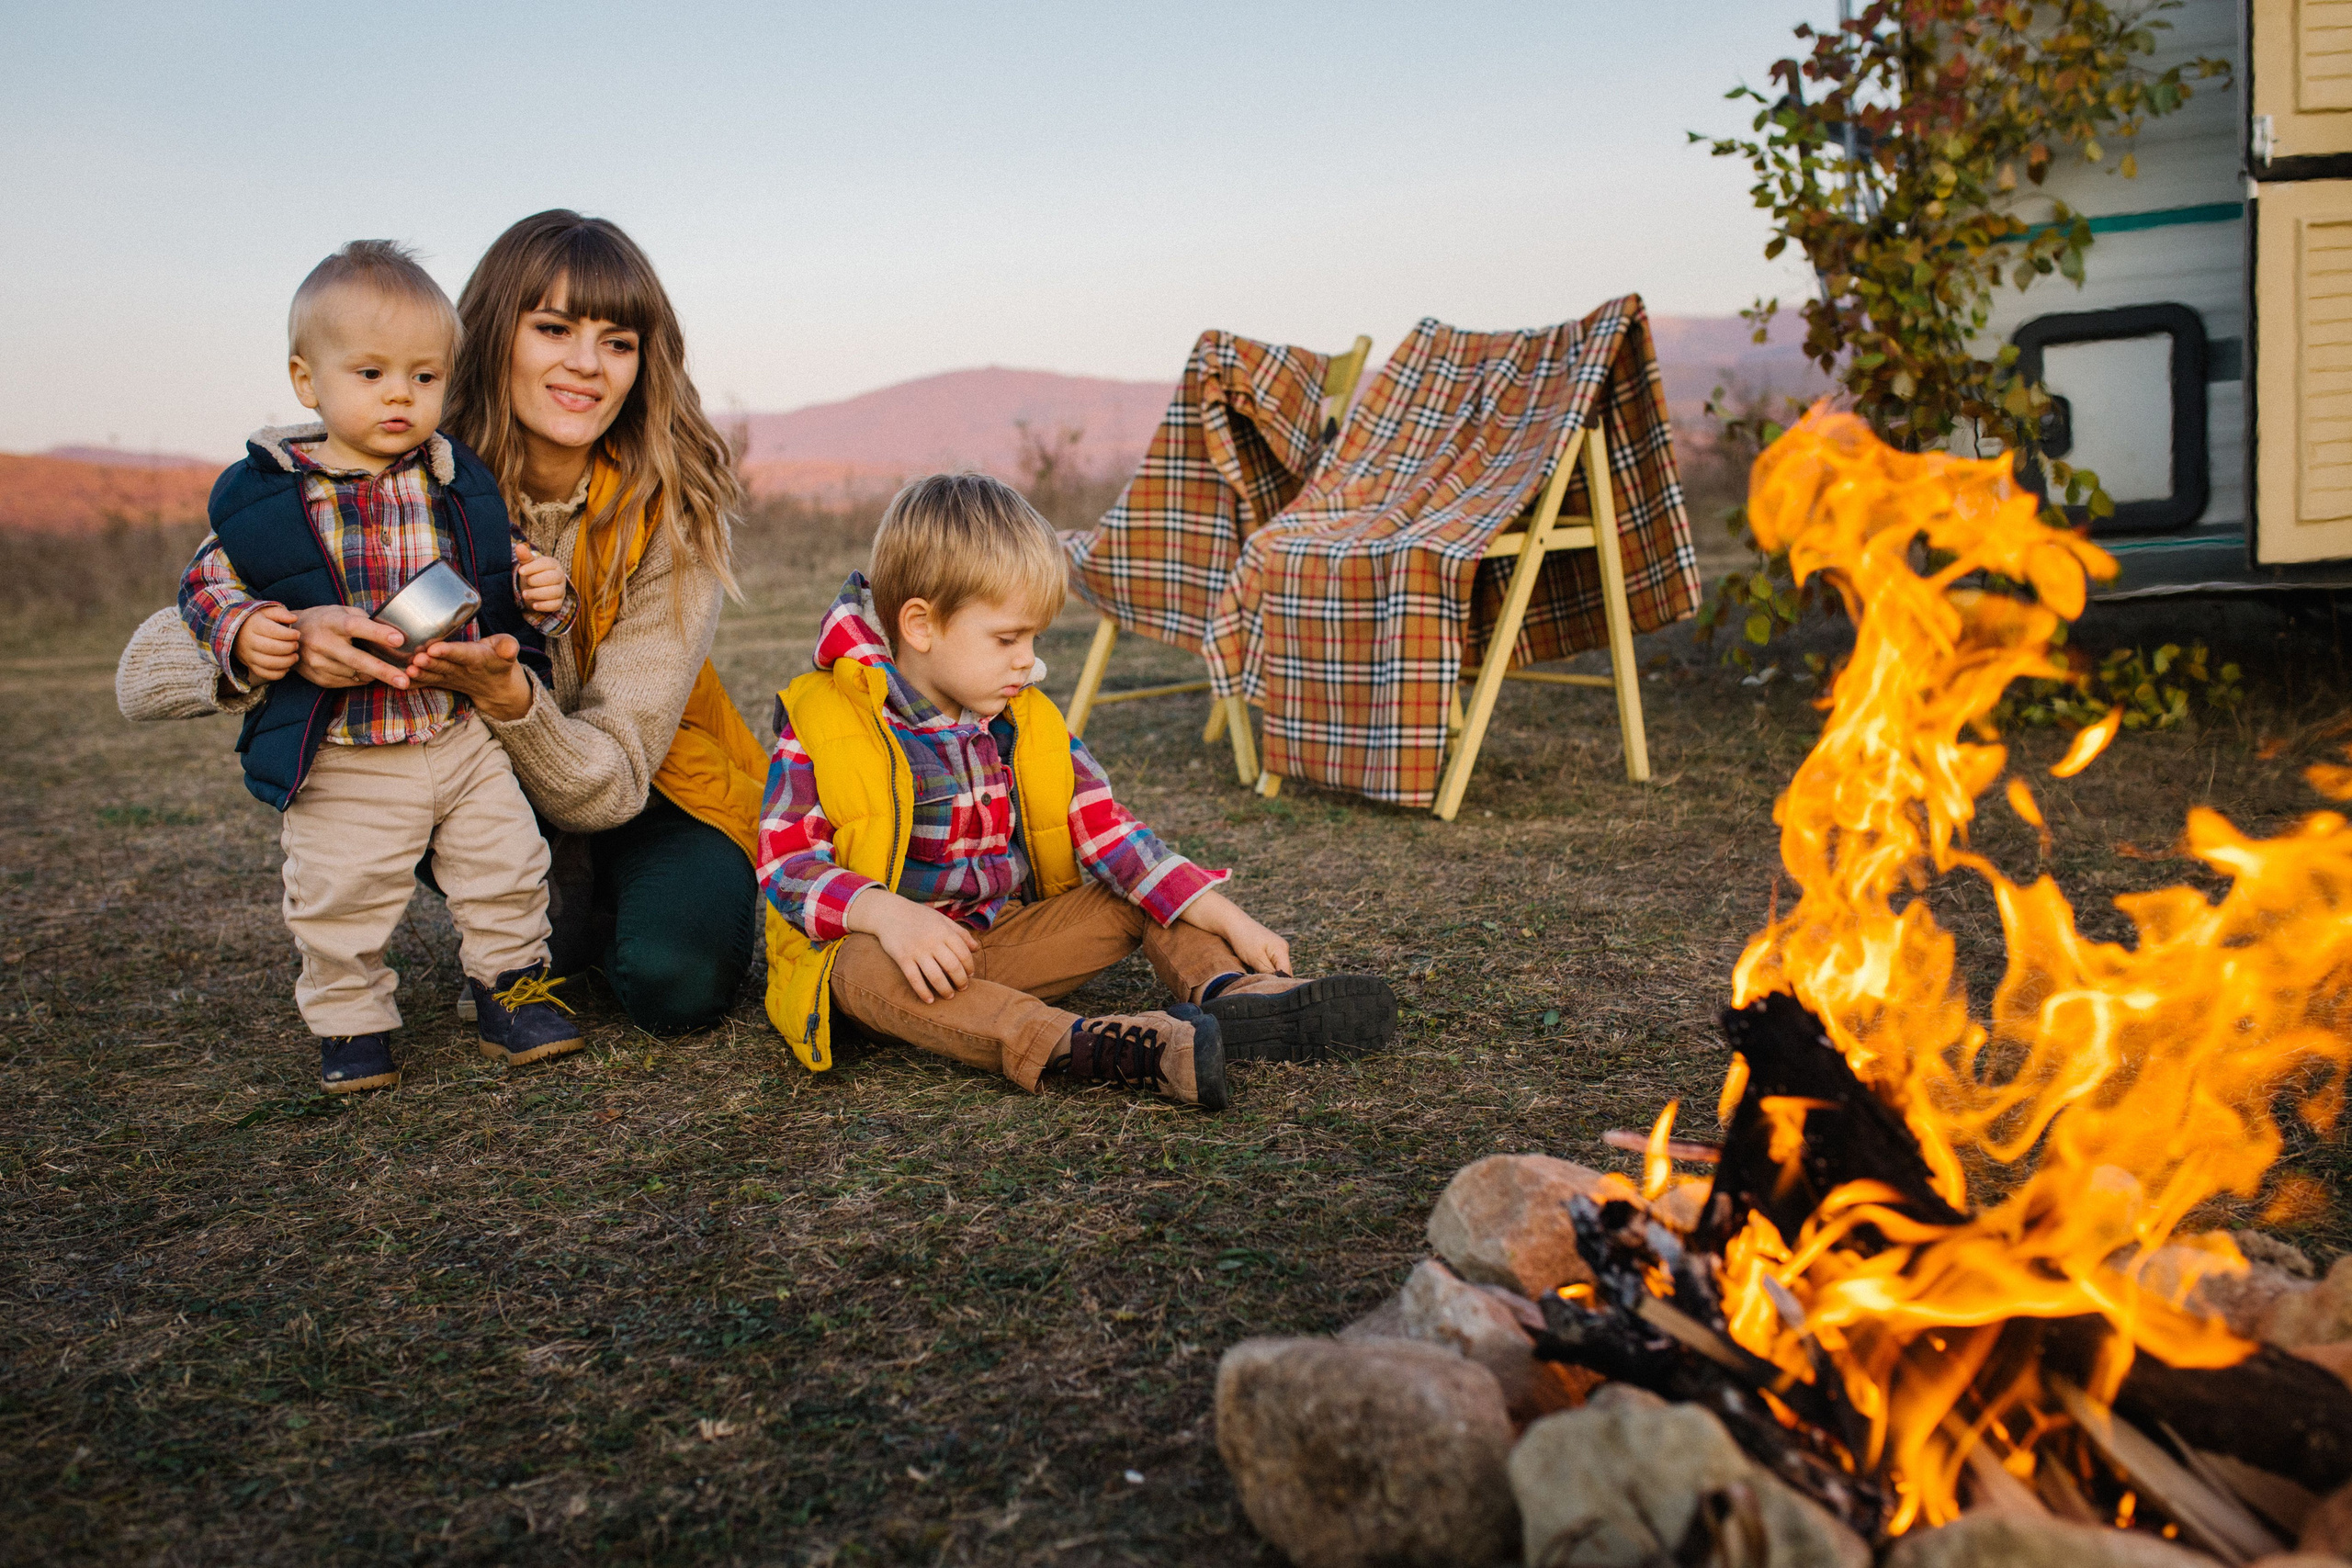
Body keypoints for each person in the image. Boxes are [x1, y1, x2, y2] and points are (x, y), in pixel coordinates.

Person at [117, 211, 768, 1037]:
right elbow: (141, 674)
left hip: (651, 786)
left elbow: (610, 780)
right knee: (495, 855)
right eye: (554, 328)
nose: (586, 364)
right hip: (483, 790)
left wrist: (510, 699)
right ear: (491, 335)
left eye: (618, 342)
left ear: (644, 364)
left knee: (676, 980)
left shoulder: (674, 517)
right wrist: (276, 636)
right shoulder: (393, 475)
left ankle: (607, 914)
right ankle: (553, 926)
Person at [757, 473, 1398, 1110]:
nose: (1027, 660)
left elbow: (1113, 834)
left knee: (1137, 890)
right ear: (921, 625)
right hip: (898, 967)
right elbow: (787, 864)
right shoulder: (823, 719)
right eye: (1007, 639)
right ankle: (1081, 1045)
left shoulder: (1027, 719)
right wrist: (887, 916)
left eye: (1033, 638)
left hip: (1002, 940)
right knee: (851, 967)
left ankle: (1233, 995)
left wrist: (1226, 916)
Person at [173, 240, 584, 1092]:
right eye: (370, 373)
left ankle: (512, 988)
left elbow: (500, 577)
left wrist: (545, 591)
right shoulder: (269, 497)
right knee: (338, 894)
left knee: (508, 865)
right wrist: (248, 631)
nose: (401, 394)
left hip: (458, 735)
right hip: (345, 748)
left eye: (424, 376)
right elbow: (205, 584)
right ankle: (351, 1018)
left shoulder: (455, 483)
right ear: (306, 380)